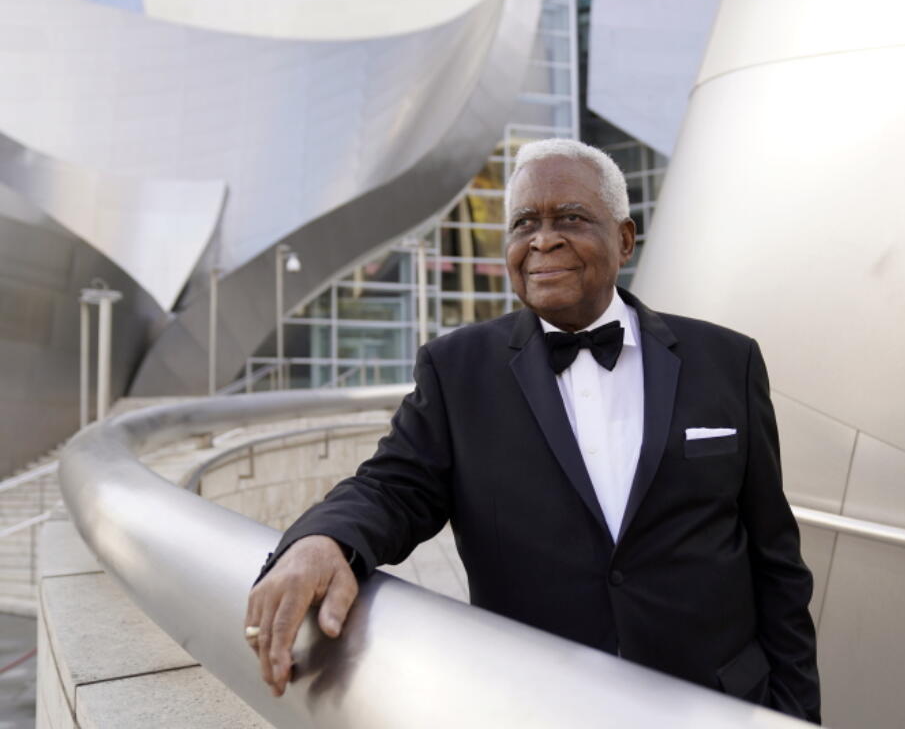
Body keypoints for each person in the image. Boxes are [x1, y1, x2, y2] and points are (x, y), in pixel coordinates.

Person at [245, 138, 821, 723]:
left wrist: (796, 715)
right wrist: (321, 541)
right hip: (537, 708)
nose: (543, 239)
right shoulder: (456, 368)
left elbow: (776, 562)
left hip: (717, 705)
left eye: (570, 218)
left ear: (624, 239)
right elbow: (393, 487)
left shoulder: (727, 359)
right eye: (524, 223)